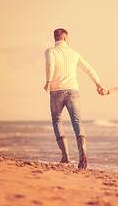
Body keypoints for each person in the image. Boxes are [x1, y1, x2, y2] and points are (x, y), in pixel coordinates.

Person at [44, 28, 104, 169]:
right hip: (72, 91)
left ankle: (65, 156)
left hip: (56, 91)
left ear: (55, 39)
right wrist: (98, 84)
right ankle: (82, 153)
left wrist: (48, 81)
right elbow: (88, 68)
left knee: (57, 121)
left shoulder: (50, 51)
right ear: (66, 39)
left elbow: (50, 64)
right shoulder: (74, 53)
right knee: (77, 122)